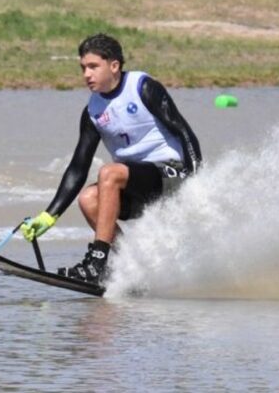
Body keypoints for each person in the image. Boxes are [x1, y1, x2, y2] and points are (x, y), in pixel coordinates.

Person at [20, 33, 202, 284]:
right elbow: (77, 167)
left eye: (93, 66)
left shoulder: (142, 87)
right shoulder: (93, 112)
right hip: (135, 183)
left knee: (110, 173)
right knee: (88, 199)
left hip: (170, 174)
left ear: (114, 66)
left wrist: (197, 180)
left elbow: (183, 131)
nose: (86, 74)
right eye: (83, 68)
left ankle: (97, 262)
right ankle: (132, 267)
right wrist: (49, 215)